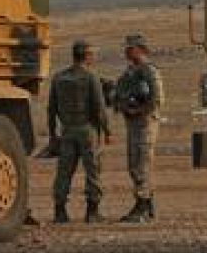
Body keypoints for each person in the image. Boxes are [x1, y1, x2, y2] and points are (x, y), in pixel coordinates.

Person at [47, 39, 109, 224]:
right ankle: (92, 211)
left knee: (64, 172)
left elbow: (51, 108)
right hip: (87, 130)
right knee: (93, 171)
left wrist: (52, 134)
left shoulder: (59, 78)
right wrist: (107, 130)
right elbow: (99, 107)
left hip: (67, 130)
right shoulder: (91, 78)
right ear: (87, 56)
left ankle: (60, 211)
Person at [113, 33, 163, 223]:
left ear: (141, 49)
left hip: (145, 124)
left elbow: (157, 98)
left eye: (130, 48)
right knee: (135, 164)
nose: (127, 51)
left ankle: (141, 205)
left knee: (141, 165)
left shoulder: (149, 71)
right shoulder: (130, 72)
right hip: (133, 124)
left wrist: (140, 110)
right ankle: (147, 205)